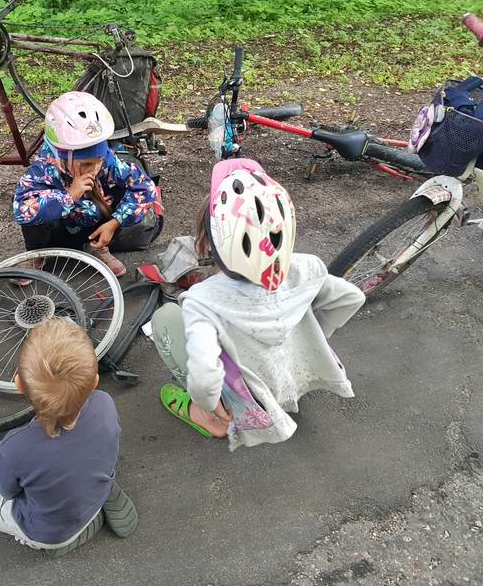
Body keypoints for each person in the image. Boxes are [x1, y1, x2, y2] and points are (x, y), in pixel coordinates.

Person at [151, 158, 365, 450]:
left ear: (204, 245)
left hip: (250, 395)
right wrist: (314, 337)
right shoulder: (308, 269)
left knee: (165, 318)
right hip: (293, 374)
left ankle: (212, 419)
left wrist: (207, 402)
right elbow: (353, 297)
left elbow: (203, 378)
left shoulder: (202, 301)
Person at [0, 319, 132, 553]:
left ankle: (57, 541)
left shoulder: (15, 448)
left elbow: (7, 491)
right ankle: (98, 502)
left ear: (19, 384)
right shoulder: (105, 403)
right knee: (83, 468)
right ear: (94, 382)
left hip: (49, 530)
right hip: (96, 488)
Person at [12, 91, 162, 278]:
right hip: (57, 232)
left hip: (92, 227)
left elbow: (144, 186)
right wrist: (69, 195)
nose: (95, 168)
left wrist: (115, 223)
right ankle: (37, 253)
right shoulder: (43, 170)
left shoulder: (106, 161)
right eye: (86, 164)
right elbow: (22, 210)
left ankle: (96, 248)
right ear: (63, 156)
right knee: (33, 205)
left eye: (99, 160)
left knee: (125, 188)